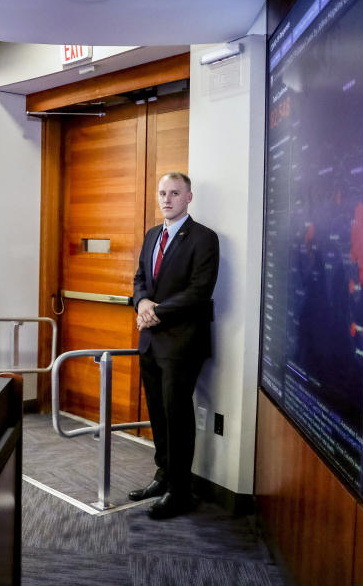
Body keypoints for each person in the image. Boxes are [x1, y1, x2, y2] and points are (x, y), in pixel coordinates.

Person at [129, 172, 219, 519]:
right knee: (158, 414)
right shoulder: (153, 235)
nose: (166, 199)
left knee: (177, 416)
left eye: (174, 193)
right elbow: (140, 279)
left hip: (182, 343)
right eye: (162, 193)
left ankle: (181, 492)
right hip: (151, 342)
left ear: (188, 198)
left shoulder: (204, 238)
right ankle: (164, 476)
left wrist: (155, 311)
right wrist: (141, 303)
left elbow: (200, 291)